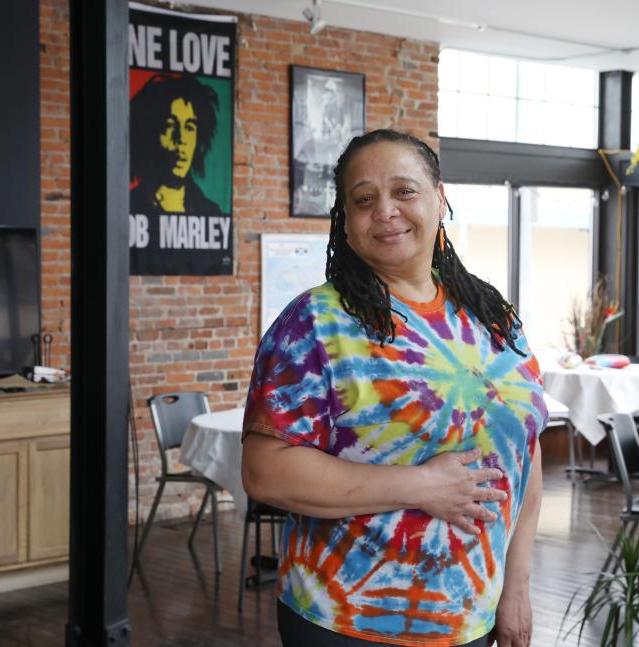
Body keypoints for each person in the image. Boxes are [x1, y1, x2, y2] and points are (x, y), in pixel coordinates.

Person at [242, 129, 548, 647]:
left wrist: (515, 586)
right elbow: (264, 473)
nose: (385, 210)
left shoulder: (494, 317)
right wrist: (420, 486)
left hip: (469, 615)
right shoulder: (316, 323)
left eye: (404, 191)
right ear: (346, 220)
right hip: (348, 620)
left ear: (440, 198)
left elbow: (526, 451)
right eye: (364, 199)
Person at [129, 74, 222, 215]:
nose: (182, 139)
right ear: (150, 133)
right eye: (170, 125)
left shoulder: (211, 212)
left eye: (189, 127)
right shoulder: (130, 206)